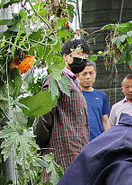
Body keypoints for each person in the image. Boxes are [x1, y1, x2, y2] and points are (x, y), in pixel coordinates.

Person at [33, 38, 91, 170]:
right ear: (66, 57)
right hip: (62, 155)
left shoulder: (74, 82)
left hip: (76, 155)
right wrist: (40, 145)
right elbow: (44, 115)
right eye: (79, 55)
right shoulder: (56, 79)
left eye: (85, 57)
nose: (82, 60)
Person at [77, 60, 111, 140]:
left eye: (91, 73)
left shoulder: (101, 96)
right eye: (84, 74)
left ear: (95, 74)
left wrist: (109, 140)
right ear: (78, 75)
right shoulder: (74, 95)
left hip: (98, 141)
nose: (88, 77)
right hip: (79, 142)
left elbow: (105, 121)